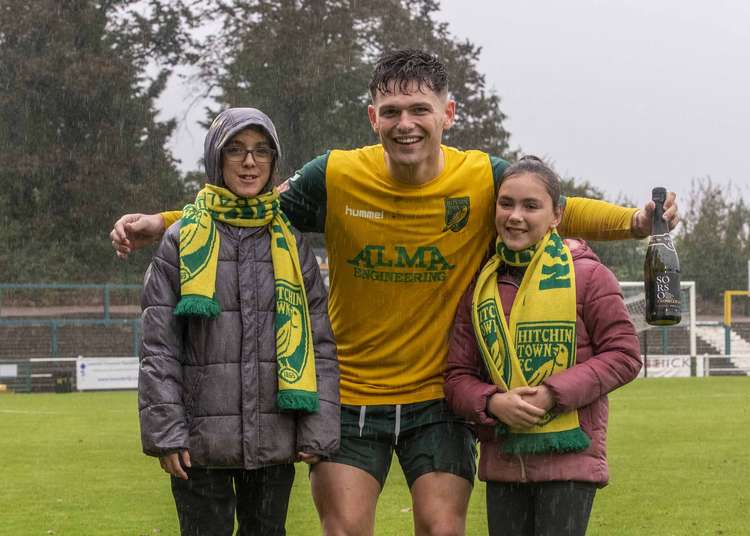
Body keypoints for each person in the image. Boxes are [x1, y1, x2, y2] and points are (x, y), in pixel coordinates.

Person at [114, 50, 676, 536]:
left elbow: (554, 206)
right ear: (372, 118)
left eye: (419, 110)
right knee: (347, 528)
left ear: (448, 114)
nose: (405, 123)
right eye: (391, 112)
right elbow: (246, 207)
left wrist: (634, 220)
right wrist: (162, 223)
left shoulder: (482, 177)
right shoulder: (333, 175)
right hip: (352, 394)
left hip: (439, 399)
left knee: (440, 527)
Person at [138, 107, 339, 536]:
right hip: (198, 445)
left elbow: (319, 342)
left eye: (261, 151)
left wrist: (317, 430)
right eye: (236, 151)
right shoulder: (181, 240)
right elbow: (159, 348)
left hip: (274, 439)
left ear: (273, 161)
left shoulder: (291, 242)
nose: (250, 163)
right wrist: (167, 434)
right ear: (216, 159)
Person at [444, 155, 642, 536]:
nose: (515, 216)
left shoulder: (588, 275)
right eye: (506, 203)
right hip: (504, 459)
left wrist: (553, 394)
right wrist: (491, 403)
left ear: (556, 215)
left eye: (531, 206)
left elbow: (624, 355)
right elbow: (457, 376)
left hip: (571, 460)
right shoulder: (481, 283)